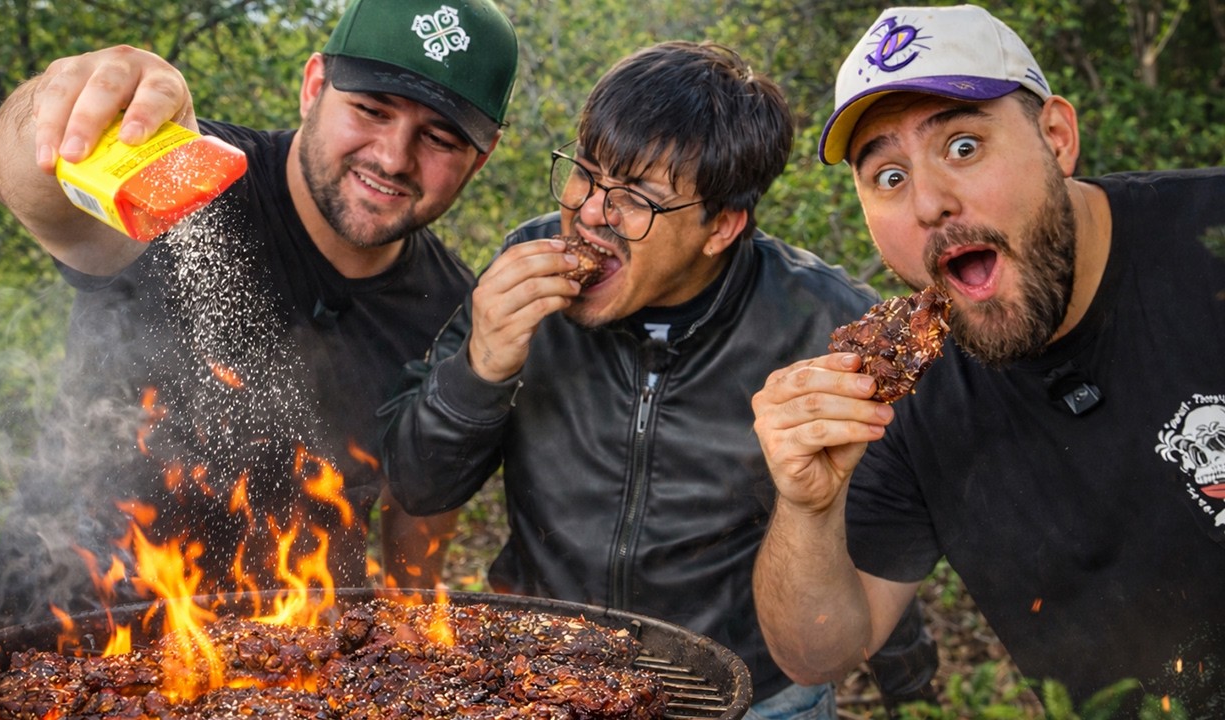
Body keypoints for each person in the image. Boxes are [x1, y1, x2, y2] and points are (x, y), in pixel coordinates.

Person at [379, 40, 939, 719]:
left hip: (745, 695)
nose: (591, 212)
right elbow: (419, 485)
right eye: (585, 174)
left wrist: (909, 683)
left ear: (721, 226)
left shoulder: (822, 322)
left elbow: (878, 529)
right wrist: (481, 368)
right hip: (542, 683)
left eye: (637, 199)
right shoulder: (523, 268)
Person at [0, 0, 517, 633]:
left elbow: (420, 498)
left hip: (294, 659)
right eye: (372, 109)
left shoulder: (454, 307)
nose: (395, 157)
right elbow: (35, 188)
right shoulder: (183, 180)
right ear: (314, 86)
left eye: (441, 138)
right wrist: (54, 108)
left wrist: (412, 628)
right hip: (67, 636)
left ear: (481, 158)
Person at [751, 4, 1225, 717]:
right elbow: (818, 655)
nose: (930, 204)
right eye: (888, 177)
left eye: (964, 146)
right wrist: (806, 507)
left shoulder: (1209, 241)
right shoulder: (902, 395)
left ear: (1056, 138)